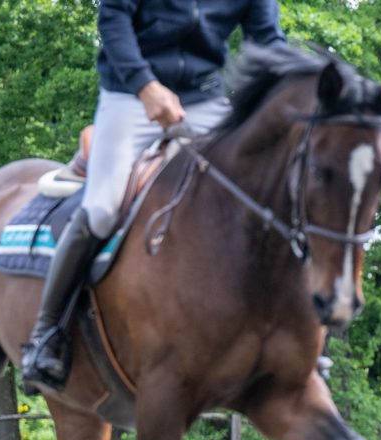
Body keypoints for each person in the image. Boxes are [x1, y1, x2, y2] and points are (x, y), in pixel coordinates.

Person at [21, 0, 286, 391]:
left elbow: (266, 40)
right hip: (130, 96)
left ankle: (279, 338)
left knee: (258, 205)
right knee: (102, 209)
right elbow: (113, 19)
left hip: (206, 101)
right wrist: (146, 86)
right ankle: (46, 335)